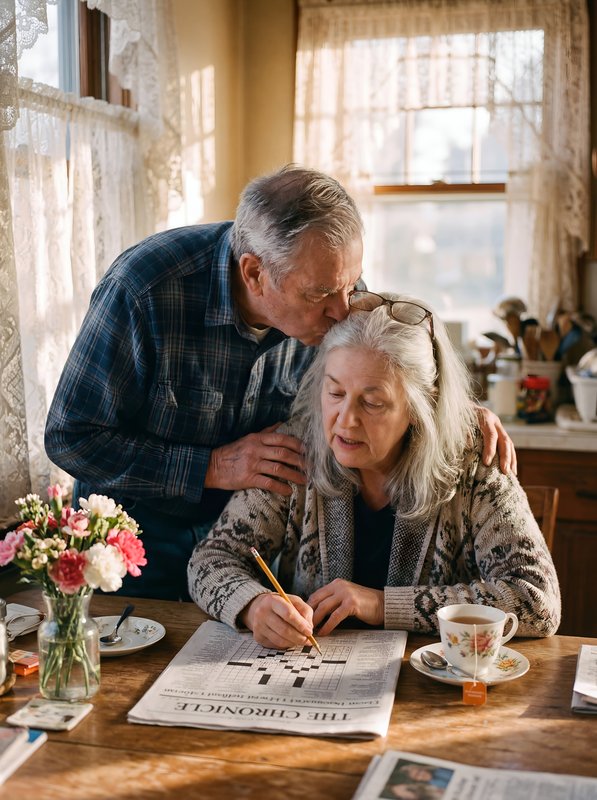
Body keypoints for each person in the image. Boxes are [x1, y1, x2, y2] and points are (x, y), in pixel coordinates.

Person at [45, 165, 515, 601]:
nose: (342, 310)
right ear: (255, 273)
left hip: (242, 537)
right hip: (133, 541)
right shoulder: (144, 290)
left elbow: (391, 350)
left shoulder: (331, 283)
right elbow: (71, 438)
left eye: (350, 286)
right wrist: (212, 467)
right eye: (321, 296)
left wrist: (445, 406)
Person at [188, 291, 561, 647]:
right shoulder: (296, 450)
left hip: (430, 689)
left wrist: (382, 605)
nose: (345, 421)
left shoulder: (473, 462)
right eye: (335, 393)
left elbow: (537, 600)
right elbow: (210, 560)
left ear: (419, 407)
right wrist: (253, 606)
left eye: (373, 402)